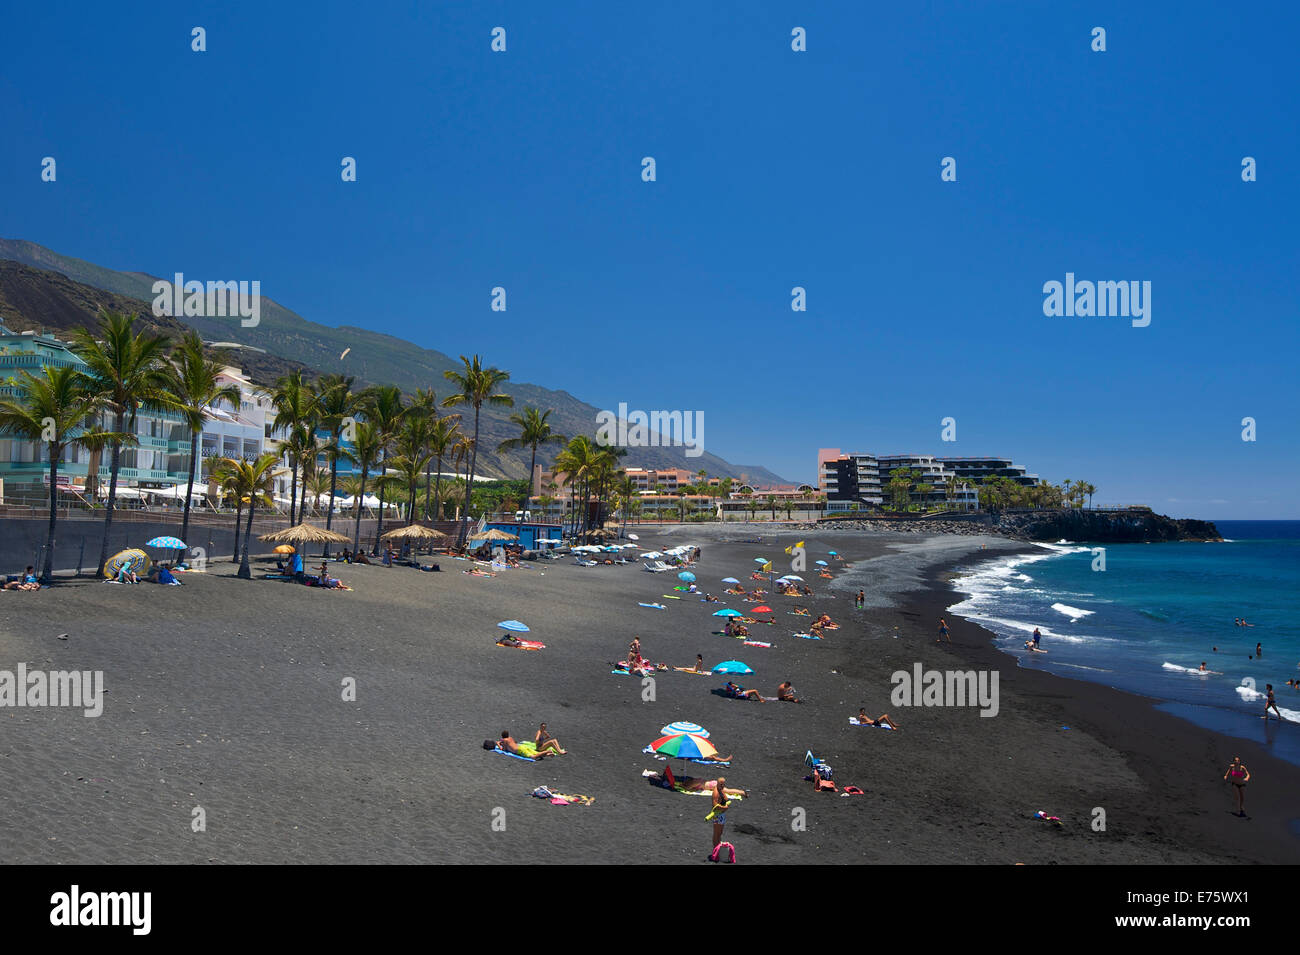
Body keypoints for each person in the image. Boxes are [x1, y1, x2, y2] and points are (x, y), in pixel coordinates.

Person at [712, 776, 731, 852]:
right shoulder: (716, 793)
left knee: (720, 833)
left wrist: (725, 803)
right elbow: (715, 806)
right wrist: (724, 808)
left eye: (723, 784)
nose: (722, 786)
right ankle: (715, 851)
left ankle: (717, 849)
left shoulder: (721, 790)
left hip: (721, 815)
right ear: (717, 784)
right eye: (721, 784)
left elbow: (726, 799)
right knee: (716, 834)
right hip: (717, 815)